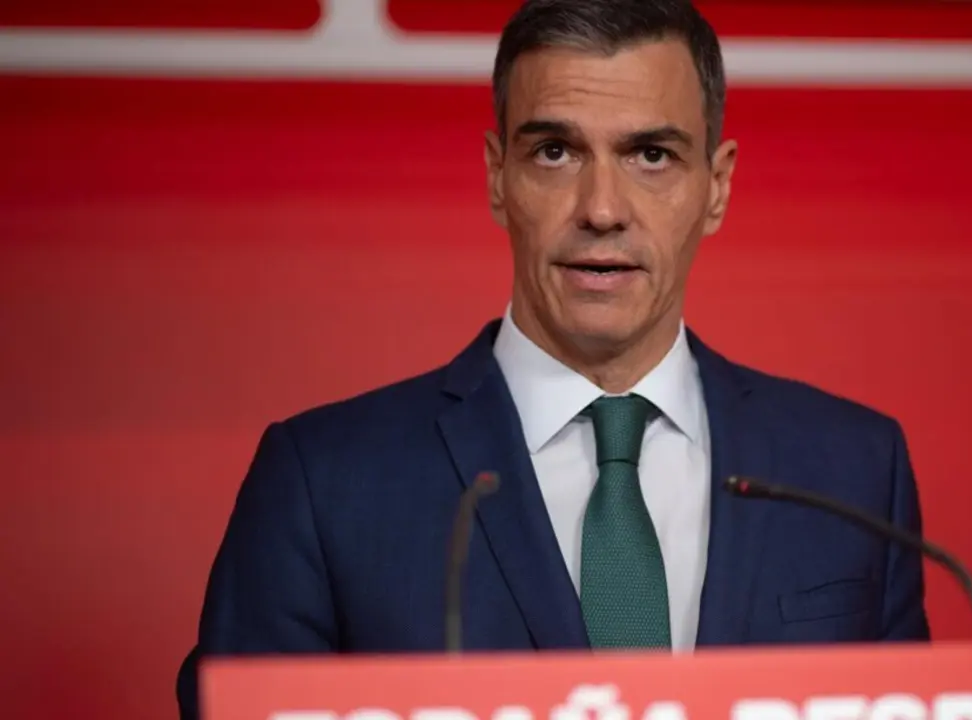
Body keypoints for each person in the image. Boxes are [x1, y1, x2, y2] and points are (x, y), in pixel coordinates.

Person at [176, 0, 929, 716]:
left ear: (718, 185)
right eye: (556, 151)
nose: (602, 208)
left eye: (652, 155)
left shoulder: (852, 470)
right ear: (499, 176)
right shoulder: (323, 483)